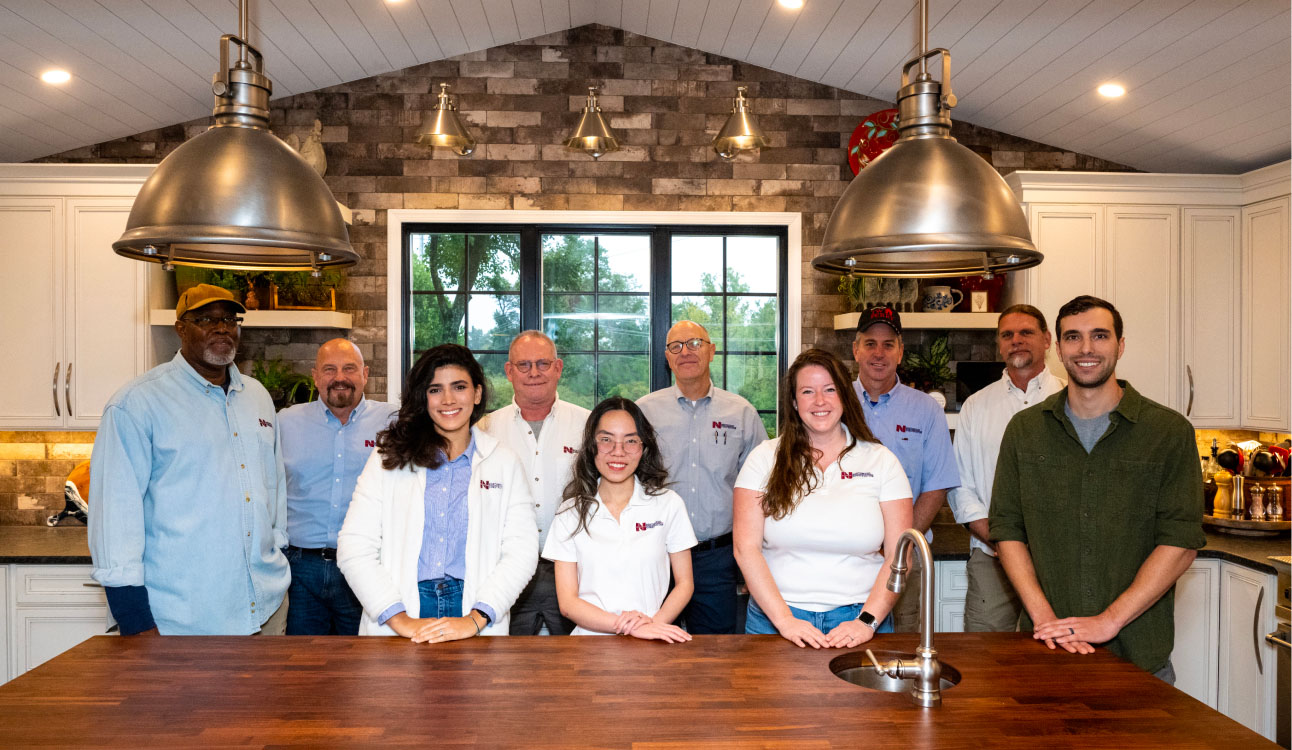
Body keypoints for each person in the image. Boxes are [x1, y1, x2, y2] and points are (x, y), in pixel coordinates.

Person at [990, 295, 1205, 682]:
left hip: (1139, 655)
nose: (1086, 348)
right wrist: (1044, 617)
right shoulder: (1025, 431)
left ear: (1120, 345)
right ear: (1058, 349)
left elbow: (1180, 542)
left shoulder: (1169, 433)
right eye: (1073, 337)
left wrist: (1109, 621)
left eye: (1100, 336)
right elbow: (1007, 529)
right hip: (1045, 646)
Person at [88, 284, 290, 635]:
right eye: (205, 320)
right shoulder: (137, 404)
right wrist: (134, 619)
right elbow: (114, 513)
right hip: (182, 619)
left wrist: (279, 545)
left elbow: (274, 488)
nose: (222, 328)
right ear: (180, 327)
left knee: (269, 694)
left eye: (229, 319)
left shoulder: (257, 397)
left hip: (266, 607)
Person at [337, 343, 538, 640]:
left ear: (477, 393)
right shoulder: (387, 457)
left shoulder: (504, 461)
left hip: (474, 608)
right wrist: (399, 618)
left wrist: (477, 617)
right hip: (400, 606)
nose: (448, 399)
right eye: (435, 389)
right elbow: (354, 546)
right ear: (423, 397)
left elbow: (521, 552)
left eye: (459, 387)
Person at [734, 349, 913, 648]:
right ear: (794, 401)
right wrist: (785, 621)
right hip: (774, 620)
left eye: (830, 389)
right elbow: (745, 549)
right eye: (807, 391)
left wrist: (867, 621)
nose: (820, 401)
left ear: (844, 395)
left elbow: (899, 556)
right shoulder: (764, 459)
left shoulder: (881, 461)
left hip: (862, 620)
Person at [636, 320, 767, 634]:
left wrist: (755, 559)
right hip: (654, 553)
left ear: (712, 351)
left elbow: (763, 490)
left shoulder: (742, 413)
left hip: (716, 560)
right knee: (648, 648)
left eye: (695, 343)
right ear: (667, 357)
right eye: (675, 346)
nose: (686, 352)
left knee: (714, 656)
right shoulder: (644, 412)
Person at [947, 305, 1064, 632]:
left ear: (1046, 340)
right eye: (1007, 335)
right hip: (991, 558)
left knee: (1052, 659)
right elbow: (960, 487)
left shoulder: (1072, 399)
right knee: (983, 663)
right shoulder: (977, 406)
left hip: (1057, 561)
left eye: (1026, 332)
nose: (1016, 340)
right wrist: (1000, 541)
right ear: (999, 345)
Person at [542, 397, 696, 641]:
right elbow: (568, 603)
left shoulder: (669, 504)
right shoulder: (569, 512)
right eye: (606, 440)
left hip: (655, 638)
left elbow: (685, 583)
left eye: (631, 441)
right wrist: (629, 627)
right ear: (591, 446)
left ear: (644, 447)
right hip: (588, 645)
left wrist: (654, 626)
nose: (618, 451)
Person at [278, 339, 398, 635]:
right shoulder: (284, 423)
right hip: (300, 568)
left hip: (366, 566)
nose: (339, 377)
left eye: (349, 368)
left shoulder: (394, 422)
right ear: (315, 376)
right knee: (301, 665)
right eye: (329, 369)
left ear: (365, 374)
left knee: (364, 665)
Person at [850, 305, 958, 632]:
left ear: (900, 352)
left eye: (888, 344)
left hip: (907, 557)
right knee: (848, 638)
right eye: (870, 343)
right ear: (855, 350)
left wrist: (902, 544)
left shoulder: (926, 410)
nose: (878, 353)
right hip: (849, 555)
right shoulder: (835, 405)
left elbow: (936, 485)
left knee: (906, 642)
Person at [478, 331, 590, 635]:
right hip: (505, 570)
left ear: (558, 368)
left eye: (543, 363)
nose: (534, 373)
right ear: (509, 371)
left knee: (574, 666)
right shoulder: (484, 430)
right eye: (524, 365)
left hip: (573, 570)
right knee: (506, 668)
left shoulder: (588, 426)